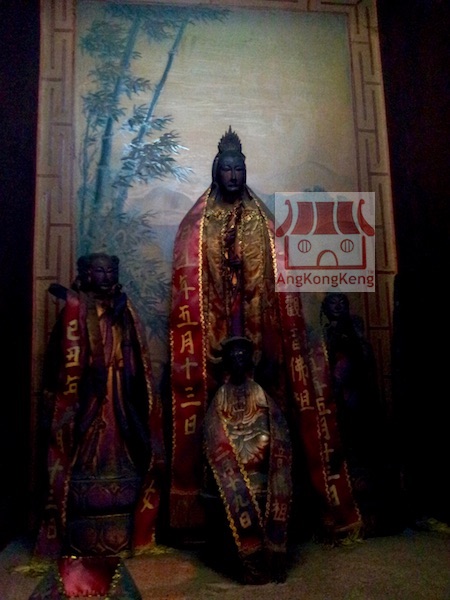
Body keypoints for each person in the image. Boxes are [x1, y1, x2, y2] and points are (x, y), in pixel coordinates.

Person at [169, 126, 362, 545]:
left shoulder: (262, 220)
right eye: (227, 169)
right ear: (216, 171)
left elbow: (277, 275)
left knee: (271, 399)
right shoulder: (199, 224)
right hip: (217, 321)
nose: (233, 176)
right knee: (213, 403)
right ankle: (208, 505)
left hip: (256, 320)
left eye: (239, 169)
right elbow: (195, 275)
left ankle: (283, 500)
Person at [34, 253, 165, 561]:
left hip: (116, 386)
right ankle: (84, 477)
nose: (105, 277)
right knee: (86, 433)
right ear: (86, 274)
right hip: (88, 389)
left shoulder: (125, 310)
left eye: (110, 271)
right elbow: (59, 361)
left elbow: (137, 358)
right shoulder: (74, 311)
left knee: (121, 433)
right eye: (99, 271)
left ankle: (118, 474)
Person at [203, 336, 292, 584]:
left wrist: (254, 433)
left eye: (243, 356)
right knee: (229, 445)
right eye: (233, 357)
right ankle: (247, 559)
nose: (238, 361)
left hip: (253, 442)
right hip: (234, 448)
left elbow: (269, 421)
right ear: (227, 363)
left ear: (250, 361)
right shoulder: (222, 393)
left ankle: (271, 558)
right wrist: (234, 433)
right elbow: (214, 425)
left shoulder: (257, 390)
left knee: (262, 438)